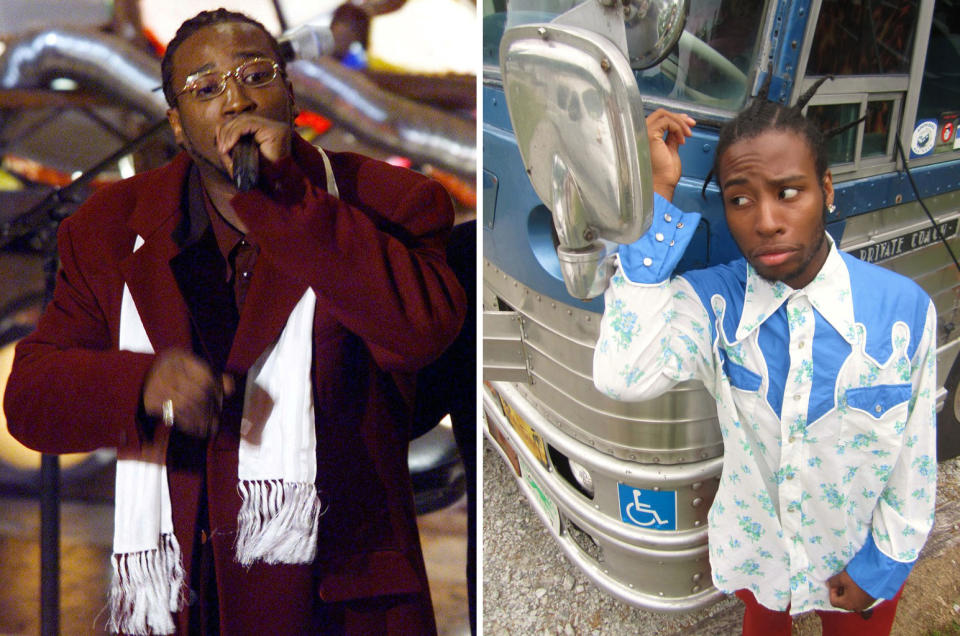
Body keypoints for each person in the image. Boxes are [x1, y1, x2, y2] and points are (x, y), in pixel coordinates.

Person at [4, 9, 466, 635]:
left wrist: (292, 202)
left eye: (256, 73)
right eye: (206, 87)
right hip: (184, 600)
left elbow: (421, 332)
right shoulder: (111, 228)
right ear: (176, 122)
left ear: (291, 93)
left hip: (339, 599)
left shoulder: (389, 202)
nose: (237, 98)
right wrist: (140, 384)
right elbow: (31, 399)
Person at [593, 80, 936, 636]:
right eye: (740, 199)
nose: (766, 221)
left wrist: (884, 563)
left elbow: (915, 458)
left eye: (789, 192)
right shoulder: (713, 305)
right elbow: (622, 374)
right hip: (762, 558)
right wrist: (656, 191)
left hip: (858, 556)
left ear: (826, 189)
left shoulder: (902, 312)